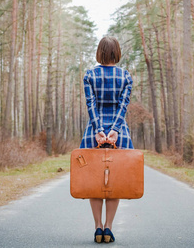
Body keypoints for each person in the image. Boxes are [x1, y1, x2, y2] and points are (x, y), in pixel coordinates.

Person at [79, 36, 134, 243]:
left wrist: (98, 130)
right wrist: (115, 130)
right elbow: (123, 106)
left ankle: (98, 228)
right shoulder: (126, 76)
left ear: (100, 52)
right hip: (119, 133)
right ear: (116, 52)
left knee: (94, 179)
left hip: (94, 132)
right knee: (115, 180)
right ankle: (109, 227)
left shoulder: (90, 75)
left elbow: (90, 104)